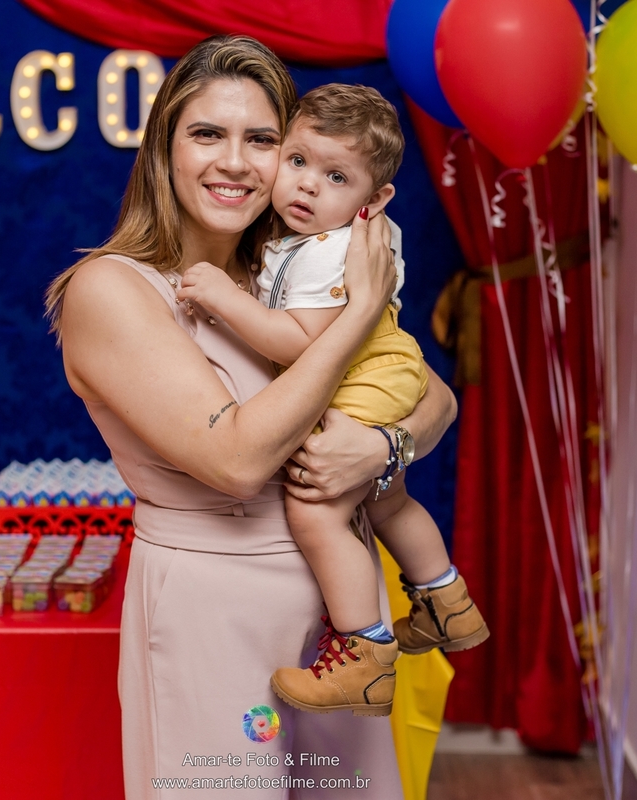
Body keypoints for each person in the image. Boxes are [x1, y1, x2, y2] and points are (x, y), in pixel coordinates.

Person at [47, 35, 456, 798]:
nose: (235, 162)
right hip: (213, 613)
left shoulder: (293, 271)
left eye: (261, 140)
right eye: (207, 134)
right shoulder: (112, 289)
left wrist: (380, 449)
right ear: (164, 151)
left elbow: (434, 399)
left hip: (343, 626)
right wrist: (360, 312)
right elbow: (235, 459)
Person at [175, 84, 488, 717]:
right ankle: (446, 600)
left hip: (366, 368)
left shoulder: (329, 251)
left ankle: (366, 658)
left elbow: (300, 344)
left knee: (318, 509)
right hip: (388, 361)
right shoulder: (342, 235)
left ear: (374, 200)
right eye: (296, 161)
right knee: (388, 495)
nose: (307, 187)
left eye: (335, 176)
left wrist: (221, 296)